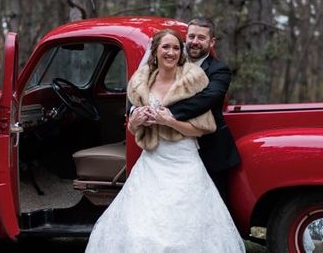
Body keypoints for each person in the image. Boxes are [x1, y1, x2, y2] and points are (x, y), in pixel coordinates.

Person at [85, 30, 245, 252]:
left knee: (187, 223)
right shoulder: (141, 81)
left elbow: (202, 128)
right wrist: (136, 120)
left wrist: (170, 122)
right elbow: (132, 128)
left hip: (183, 158)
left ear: (181, 53)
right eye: (166, 47)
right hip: (152, 159)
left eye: (176, 48)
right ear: (155, 51)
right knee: (142, 223)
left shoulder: (192, 81)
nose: (171, 52)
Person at [168, 19, 241, 202]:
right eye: (191, 36)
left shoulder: (219, 69)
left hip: (210, 149)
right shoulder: (172, 64)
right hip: (174, 149)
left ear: (211, 42)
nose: (194, 41)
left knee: (214, 202)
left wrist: (166, 113)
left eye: (201, 37)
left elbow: (207, 98)